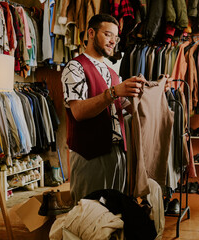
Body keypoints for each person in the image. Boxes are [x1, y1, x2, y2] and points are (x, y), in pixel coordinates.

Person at [61, 14, 146, 204]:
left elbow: (122, 109)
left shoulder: (112, 73)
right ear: (91, 33)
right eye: (108, 35)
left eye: (115, 38)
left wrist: (147, 94)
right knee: (89, 215)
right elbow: (78, 112)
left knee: (115, 213)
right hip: (89, 155)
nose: (112, 42)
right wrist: (114, 93)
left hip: (117, 153)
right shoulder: (75, 67)